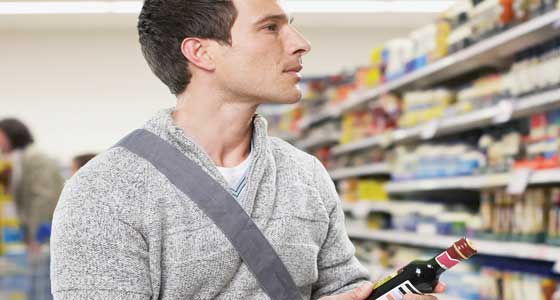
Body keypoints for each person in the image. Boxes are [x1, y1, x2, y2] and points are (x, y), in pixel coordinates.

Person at [50, 1, 445, 299]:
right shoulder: (104, 192)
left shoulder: (304, 173)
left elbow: (341, 285)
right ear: (201, 53)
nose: (301, 44)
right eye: (271, 28)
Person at [0, 118, 63, 244]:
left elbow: (43, 198)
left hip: (44, 232)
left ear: (12, 134)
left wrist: (35, 237)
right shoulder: (19, 159)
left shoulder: (35, 158)